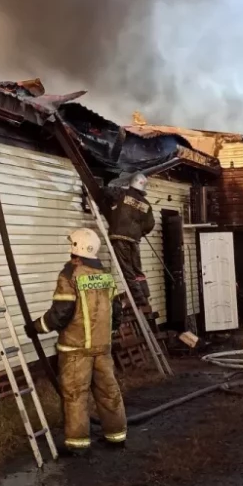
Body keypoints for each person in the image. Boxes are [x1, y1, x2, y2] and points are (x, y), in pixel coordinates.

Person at [27, 228, 127, 456]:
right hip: (103, 349)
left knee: (75, 396)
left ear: (77, 248)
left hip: (75, 350)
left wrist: (36, 327)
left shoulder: (70, 275)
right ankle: (116, 436)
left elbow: (60, 313)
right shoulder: (105, 276)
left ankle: (78, 444)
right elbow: (117, 312)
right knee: (109, 393)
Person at [105, 172, 155, 325]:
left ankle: (138, 299)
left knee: (127, 270)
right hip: (134, 240)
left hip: (120, 237)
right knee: (136, 269)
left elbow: (107, 191)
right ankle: (144, 293)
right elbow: (149, 225)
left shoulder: (123, 194)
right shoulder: (146, 204)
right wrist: (139, 232)